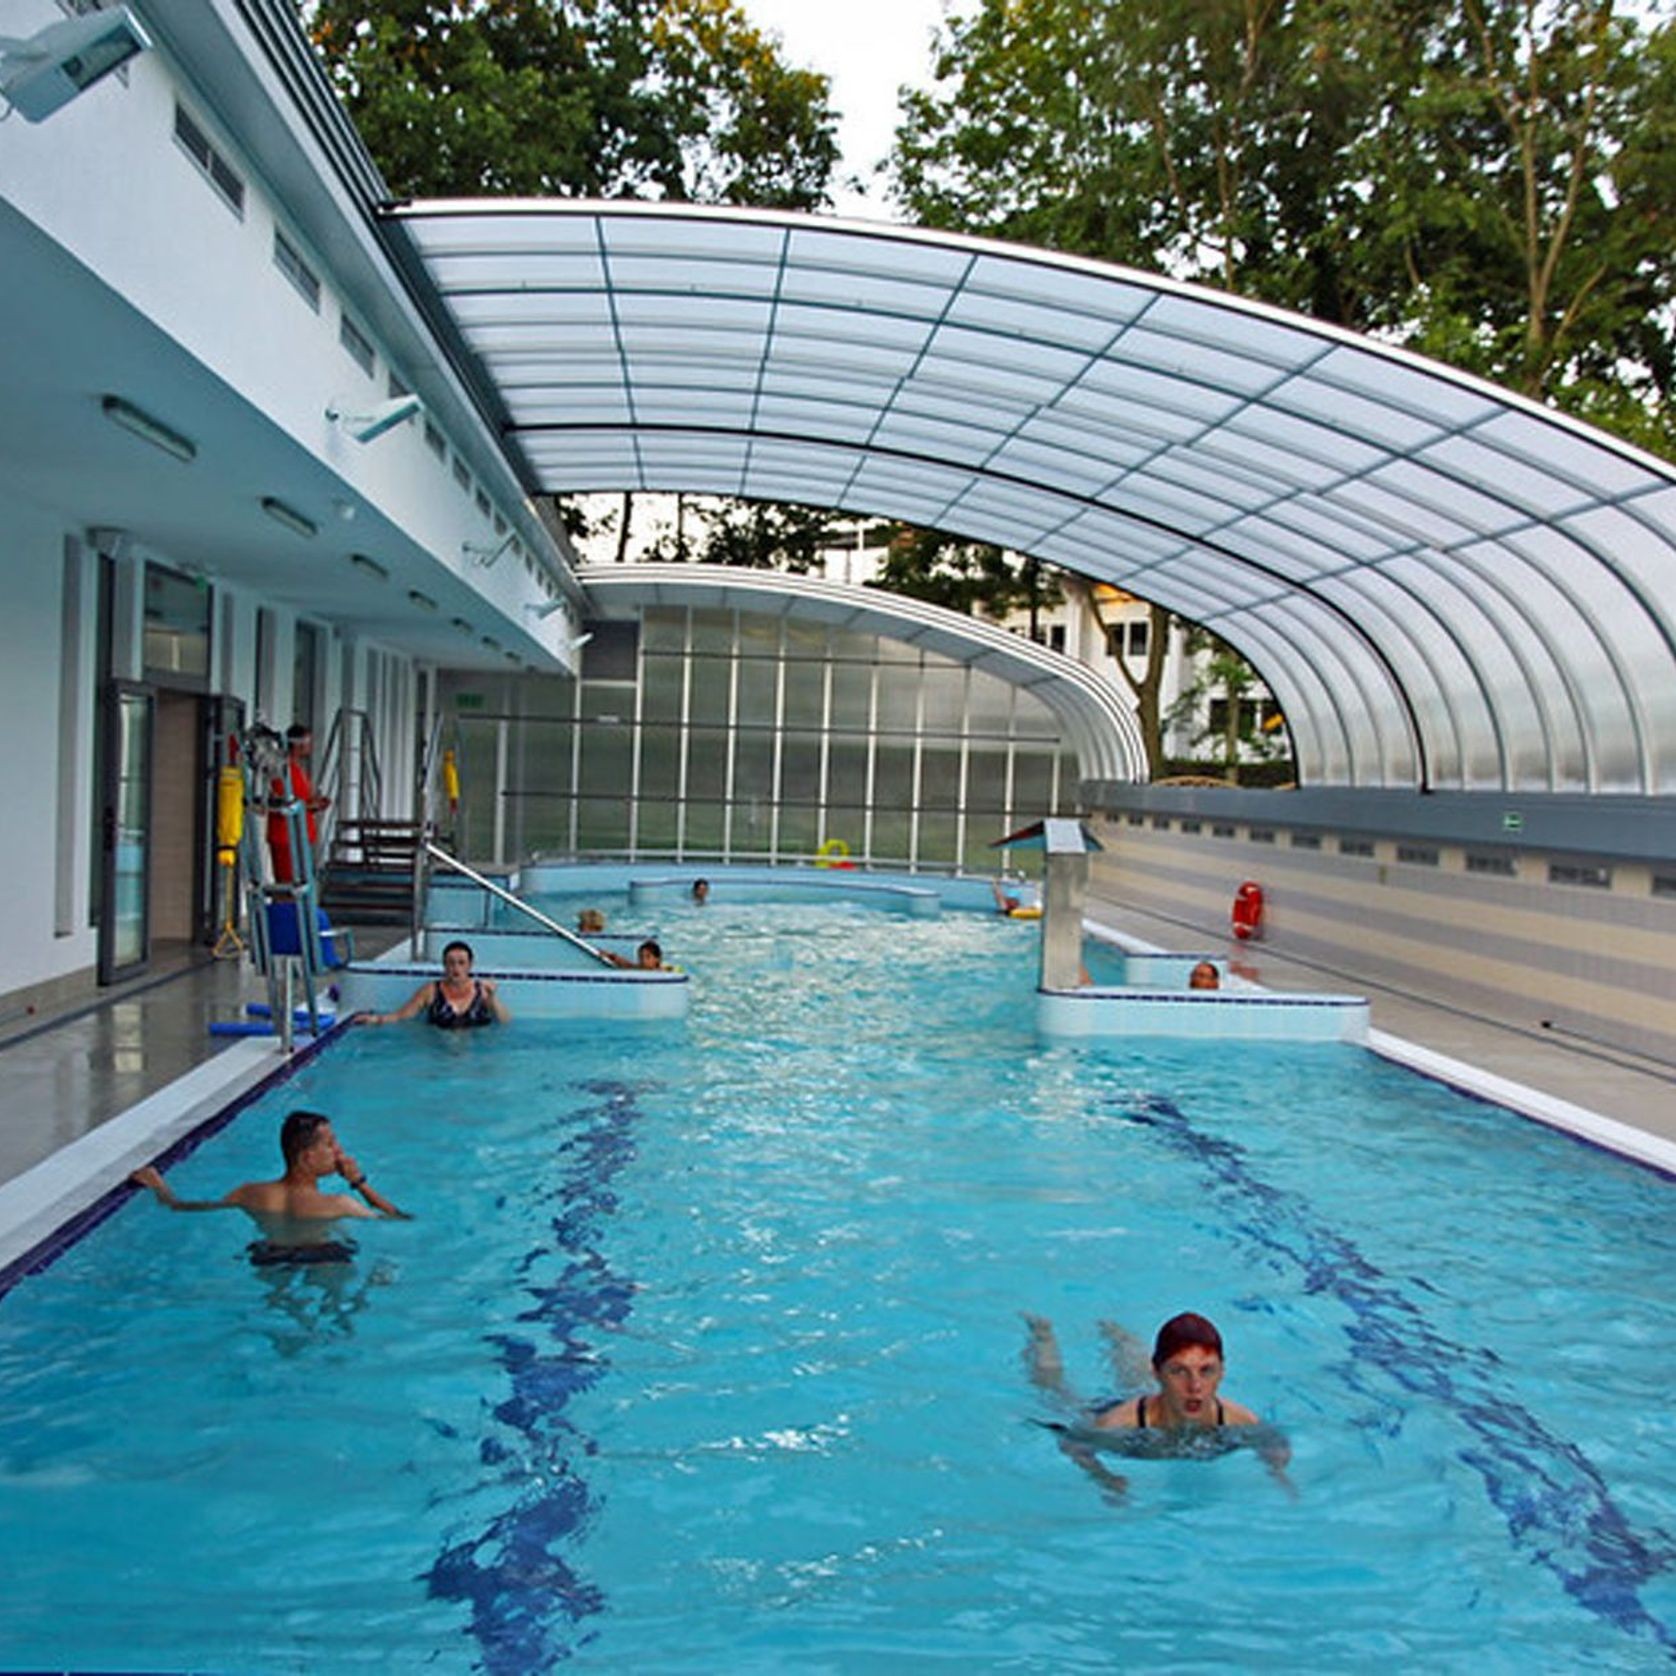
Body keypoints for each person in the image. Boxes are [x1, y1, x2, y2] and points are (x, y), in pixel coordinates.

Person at [1025, 1312, 1291, 1495]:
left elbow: (1274, 1442)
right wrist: (1104, 1478)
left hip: (1158, 1400)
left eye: (1207, 1371)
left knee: (1136, 1379)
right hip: (1132, 1410)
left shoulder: (1239, 1419)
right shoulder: (1116, 1424)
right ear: (1159, 1372)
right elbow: (1073, 1444)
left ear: (1222, 1371)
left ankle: (1117, 1335)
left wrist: (1276, 1471)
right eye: (1179, 1371)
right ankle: (1043, 1336)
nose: (1195, 1387)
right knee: (1058, 1396)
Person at [129, 1109, 408, 1265]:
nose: (339, 1151)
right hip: (324, 1256)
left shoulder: (250, 1193)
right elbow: (398, 1219)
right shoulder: (338, 1204)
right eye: (331, 1144)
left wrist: (158, 1186)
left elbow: (181, 1207)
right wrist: (358, 1183)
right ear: (307, 1157)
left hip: (269, 1255)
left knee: (279, 1303)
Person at [359, 939, 509, 1028]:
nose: (456, 968)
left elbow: (505, 1021)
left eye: (461, 963)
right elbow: (402, 1015)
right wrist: (376, 1019)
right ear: (444, 965)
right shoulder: (430, 991)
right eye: (451, 963)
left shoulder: (482, 991)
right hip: (439, 1050)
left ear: (470, 965)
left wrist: (492, 999)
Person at [266, 723, 330, 884]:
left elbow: (300, 799)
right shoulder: (282, 769)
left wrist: (314, 805)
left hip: (299, 835)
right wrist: (311, 806)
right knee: (288, 883)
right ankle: (284, 909)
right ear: (298, 744)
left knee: (301, 883)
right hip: (286, 837)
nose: (311, 745)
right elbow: (282, 803)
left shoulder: (296, 769)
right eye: (308, 741)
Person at [602, 938, 667, 971]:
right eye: (641, 957)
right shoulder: (640, 968)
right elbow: (627, 964)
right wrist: (610, 956)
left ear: (657, 959)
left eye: (648, 957)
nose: (643, 960)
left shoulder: (662, 972)